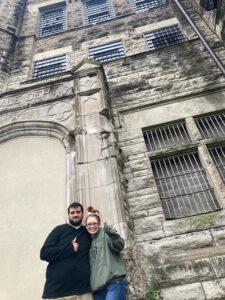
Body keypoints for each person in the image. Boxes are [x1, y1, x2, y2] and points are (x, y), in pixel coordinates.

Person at [40, 202, 93, 300]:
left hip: (84, 291)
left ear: (82, 214)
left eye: (78, 212)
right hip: (59, 291)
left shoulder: (88, 232)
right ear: (68, 215)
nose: (75, 215)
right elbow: (44, 253)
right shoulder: (59, 230)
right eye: (72, 213)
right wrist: (69, 248)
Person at [85, 207, 126, 300]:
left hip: (113, 283)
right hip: (97, 289)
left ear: (99, 224)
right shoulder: (86, 241)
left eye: (94, 223)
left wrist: (109, 230)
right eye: (89, 224)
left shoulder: (106, 233)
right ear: (86, 226)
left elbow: (119, 245)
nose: (92, 226)